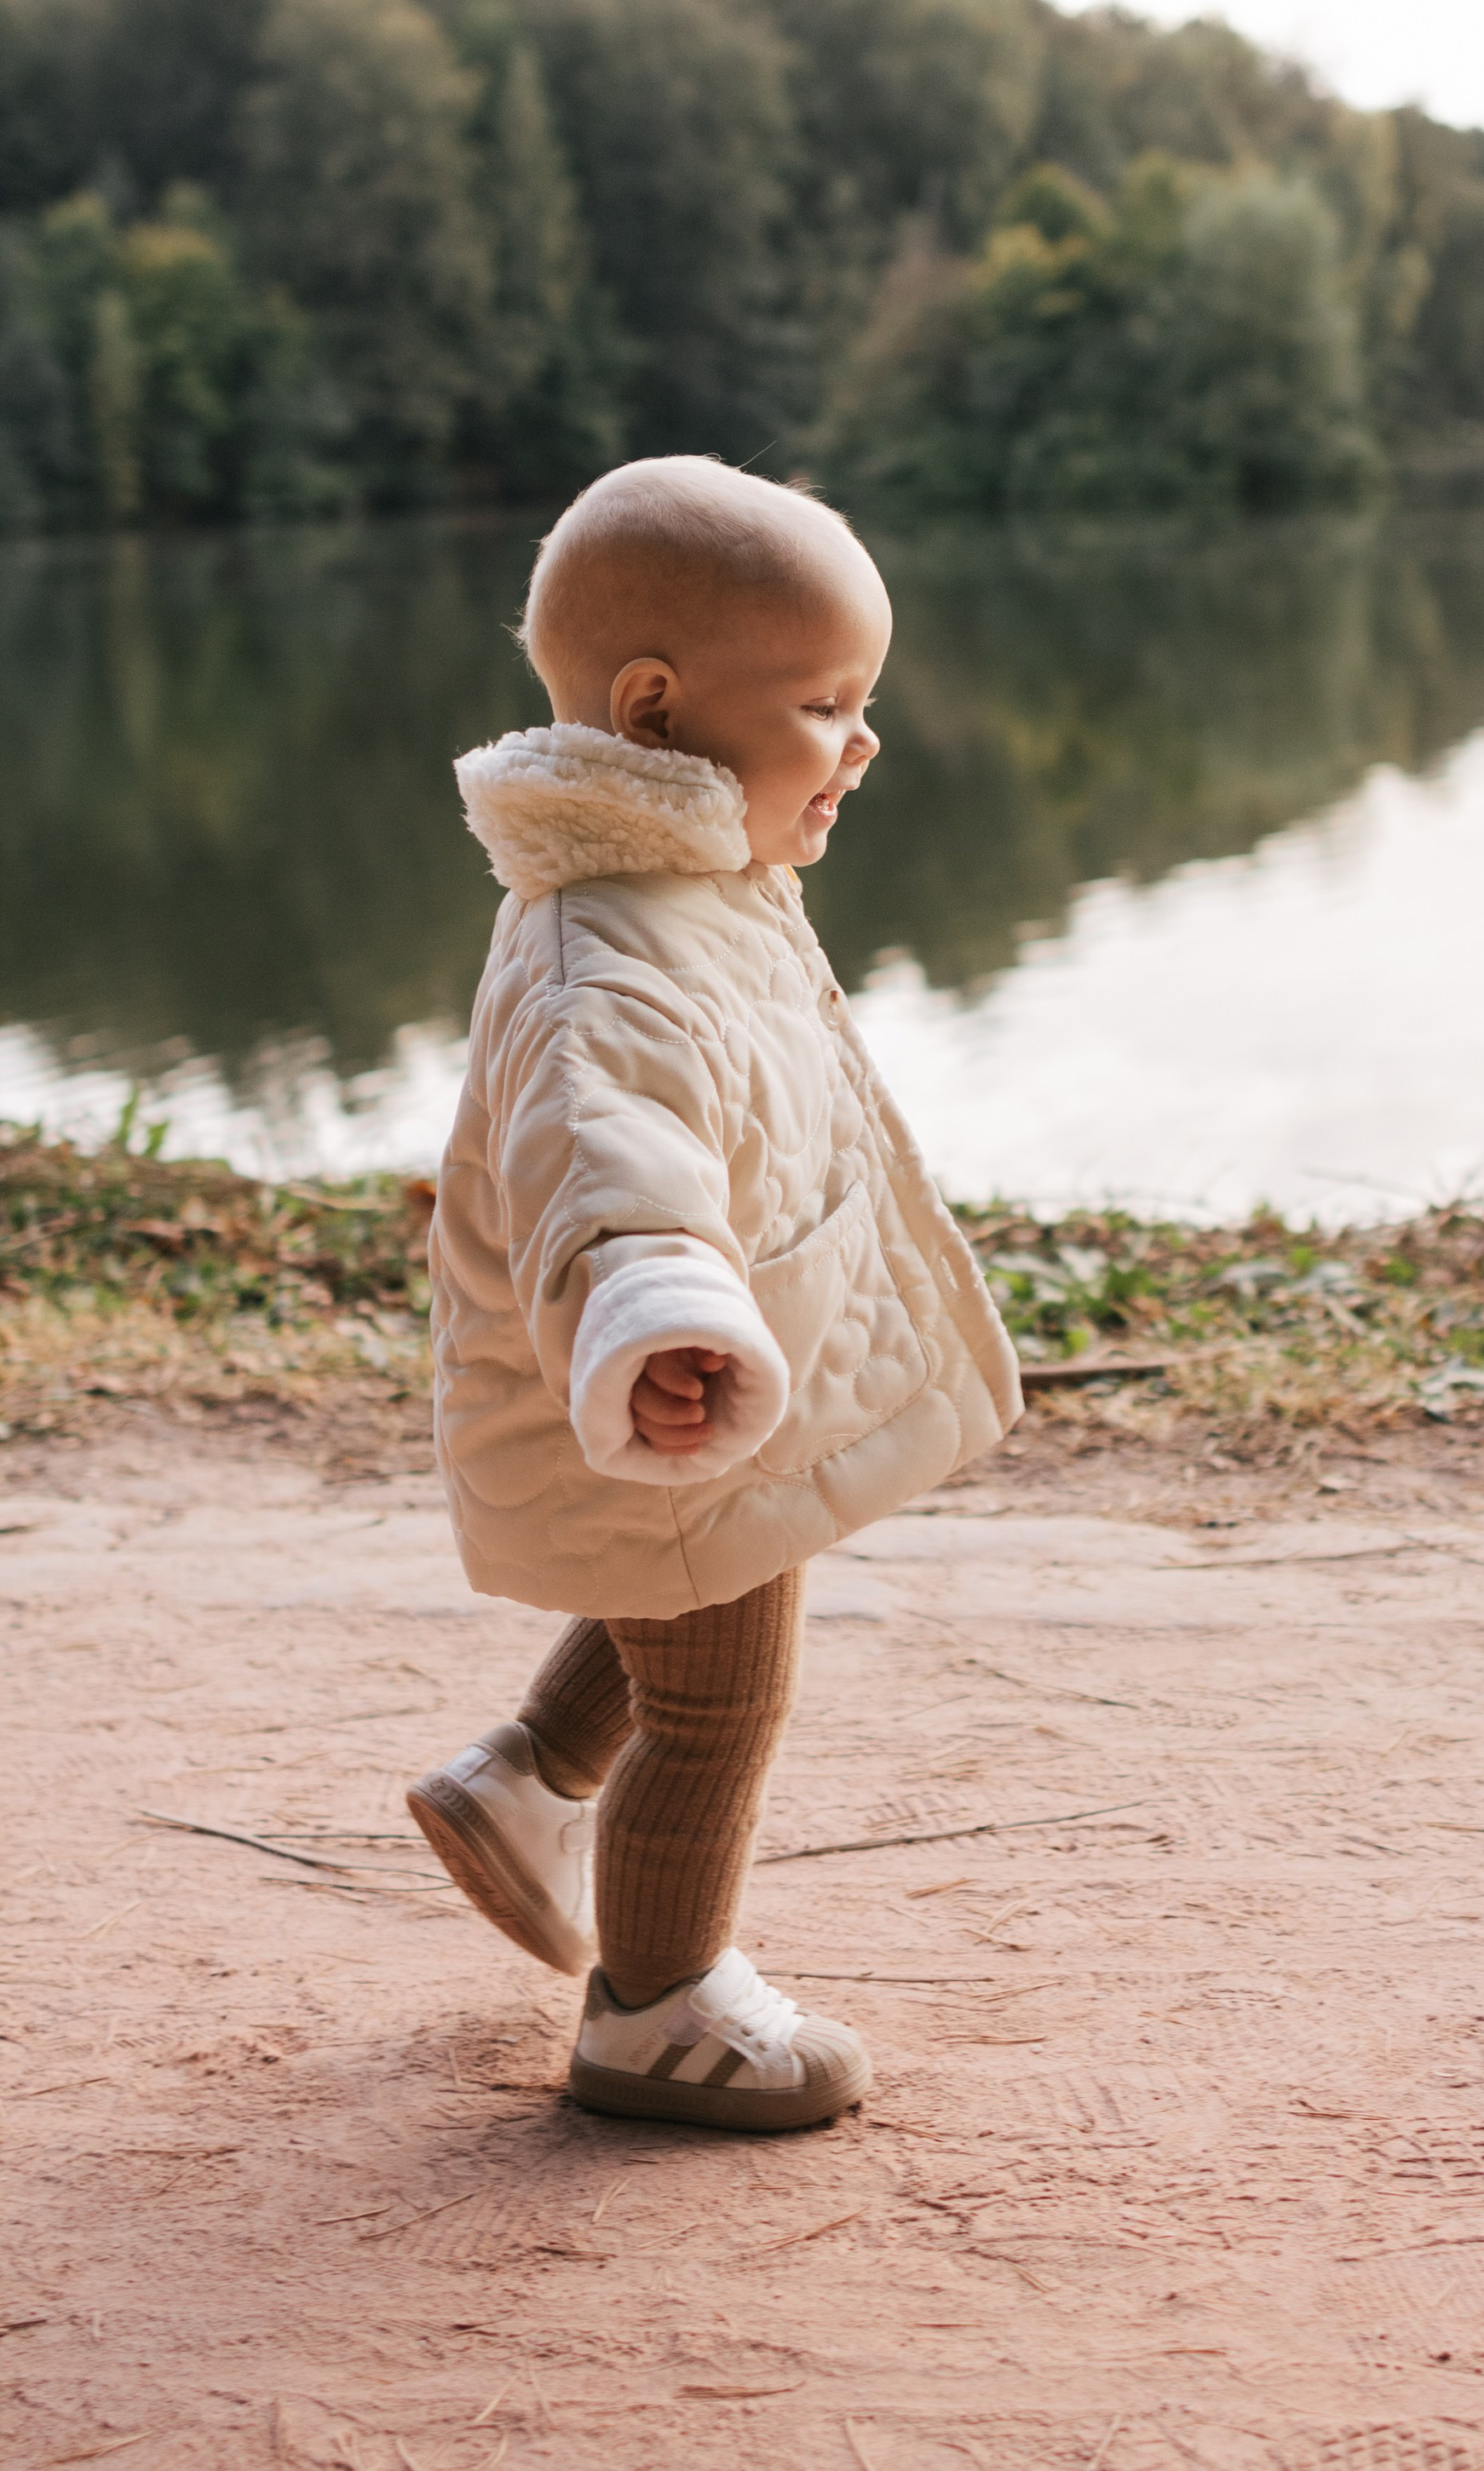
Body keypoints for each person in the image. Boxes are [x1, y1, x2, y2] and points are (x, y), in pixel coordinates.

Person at [405, 458, 1020, 2130]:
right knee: (720, 1695)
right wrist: (658, 1312)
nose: (863, 743)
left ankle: (524, 1780)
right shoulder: (598, 953)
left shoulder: (689, 882)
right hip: (662, 1356)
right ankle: (652, 2008)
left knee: (698, 1578)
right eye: (823, 705)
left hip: (715, 1349)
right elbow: (611, 1168)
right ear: (659, 715)